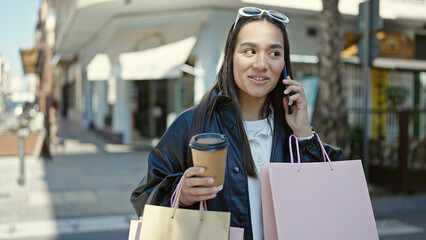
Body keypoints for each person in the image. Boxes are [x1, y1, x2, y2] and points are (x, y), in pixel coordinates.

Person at [131, 7, 342, 240]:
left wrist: (304, 133)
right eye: (249, 51)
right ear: (231, 56)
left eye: (274, 53)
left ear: (284, 62)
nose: (262, 64)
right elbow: (144, 198)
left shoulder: (294, 132)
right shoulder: (190, 124)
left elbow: (327, 200)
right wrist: (181, 195)